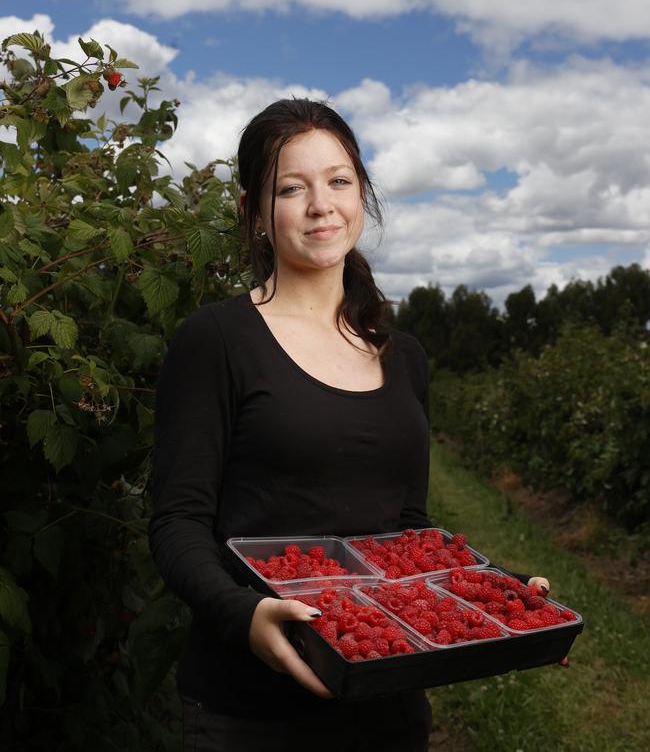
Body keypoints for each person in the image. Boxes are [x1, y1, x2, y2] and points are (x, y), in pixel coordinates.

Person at [149, 98, 553, 752]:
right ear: (253, 211)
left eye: (339, 180)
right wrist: (246, 615)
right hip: (250, 712)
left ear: (361, 191)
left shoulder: (406, 356)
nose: (321, 204)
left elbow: (411, 531)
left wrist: (496, 582)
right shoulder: (215, 341)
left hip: (388, 708)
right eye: (291, 187)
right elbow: (176, 522)